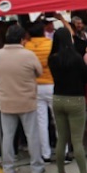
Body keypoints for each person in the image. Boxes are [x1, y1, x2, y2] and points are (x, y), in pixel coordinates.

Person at [0, 24, 45, 173]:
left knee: (8, 136)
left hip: (6, 100)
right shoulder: (28, 55)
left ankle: (8, 168)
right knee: (32, 135)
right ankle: (36, 167)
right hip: (26, 100)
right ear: (22, 39)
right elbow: (39, 71)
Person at [49, 28, 87, 173]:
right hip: (75, 99)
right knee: (77, 141)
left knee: (62, 138)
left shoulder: (52, 59)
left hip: (58, 98)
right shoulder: (76, 58)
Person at [24, 21, 55, 163]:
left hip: (36, 86)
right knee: (58, 120)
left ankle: (45, 153)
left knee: (41, 122)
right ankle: (65, 151)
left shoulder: (27, 46)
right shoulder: (50, 43)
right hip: (52, 84)